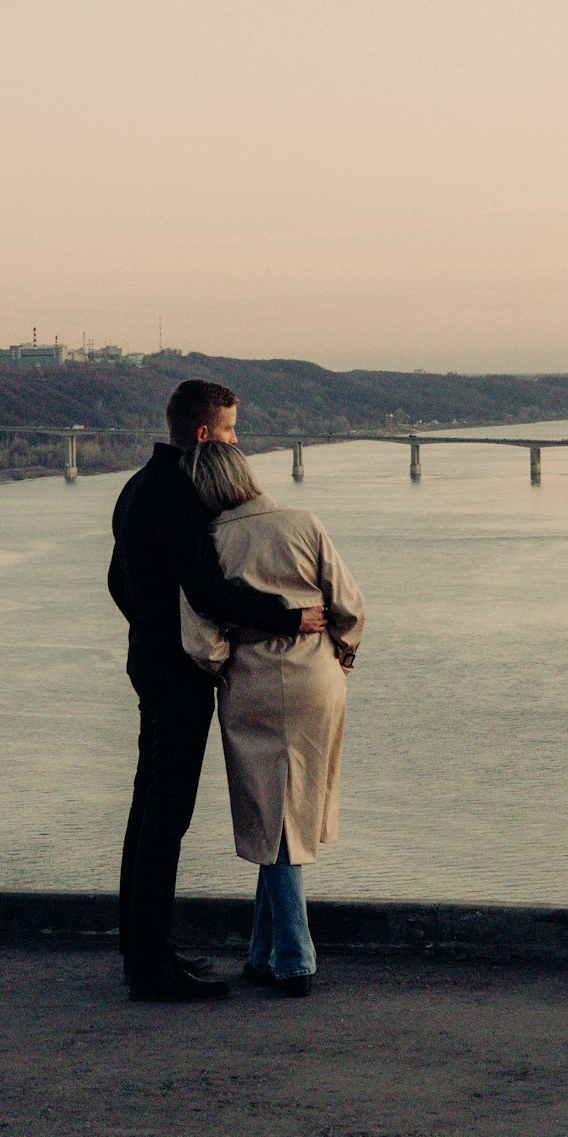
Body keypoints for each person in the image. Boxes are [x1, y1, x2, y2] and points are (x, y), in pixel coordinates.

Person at [108, 379, 326, 1003]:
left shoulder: (136, 486)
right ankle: (152, 970)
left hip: (151, 660)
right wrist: (291, 616)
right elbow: (207, 592)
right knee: (166, 815)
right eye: (231, 430)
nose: (237, 441)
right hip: (176, 671)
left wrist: (147, 628)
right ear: (204, 434)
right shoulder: (180, 493)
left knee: (147, 808)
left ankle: (144, 950)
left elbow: (116, 579)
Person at [179, 441, 364, 996]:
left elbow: (201, 636)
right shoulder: (303, 523)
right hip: (318, 676)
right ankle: (262, 953)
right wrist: (343, 652)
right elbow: (349, 604)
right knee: (289, 807)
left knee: (271, 811)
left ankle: (295, 958)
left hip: (255, 677)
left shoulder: (211, 541)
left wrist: (222, 664)